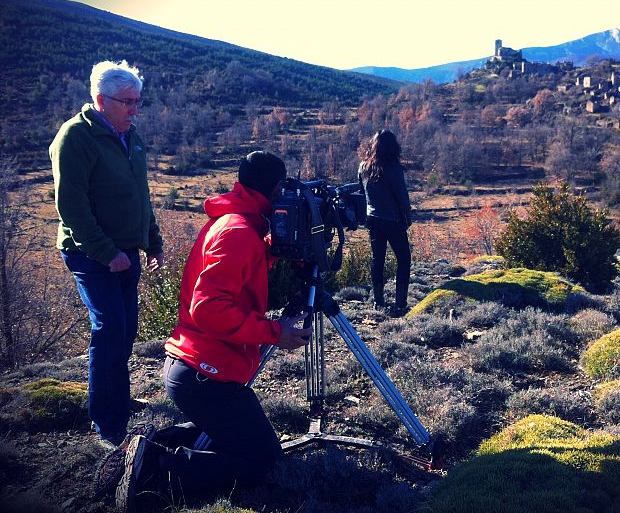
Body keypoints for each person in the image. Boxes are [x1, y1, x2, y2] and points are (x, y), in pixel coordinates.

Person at [112, 151, 312, 512]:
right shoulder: (237, 232)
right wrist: (273, 332)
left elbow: (246, 264)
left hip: (197, 368)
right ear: (277, 187)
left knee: (240, 441)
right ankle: (157, 469)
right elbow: (208, 309)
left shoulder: (242, 225)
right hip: (204, 375)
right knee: (265, 463)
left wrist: (284, 248)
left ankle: (151, 444)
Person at [49, 60, 164, 448]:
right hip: (90, 254)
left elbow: (140, 195)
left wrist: (153, 242)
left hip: (127, 251)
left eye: (138, 101)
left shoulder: (132, 136)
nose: (135, 109)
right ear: (101, 100)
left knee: (126, 330)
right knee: (109, 328)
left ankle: (118, 399)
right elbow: (72, 206)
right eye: (127, 102)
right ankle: (106, 422)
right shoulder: (74, 138)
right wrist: (106, 252)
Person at [358, 129, 412, 314]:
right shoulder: (394, 168)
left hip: (372, 218)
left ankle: (378, 301)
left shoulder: (364, 166)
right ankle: (400, 303)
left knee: (377, 259)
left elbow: (361, 192)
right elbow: (402, 197)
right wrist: (407, 218)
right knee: (404, 259)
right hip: (393, 220)